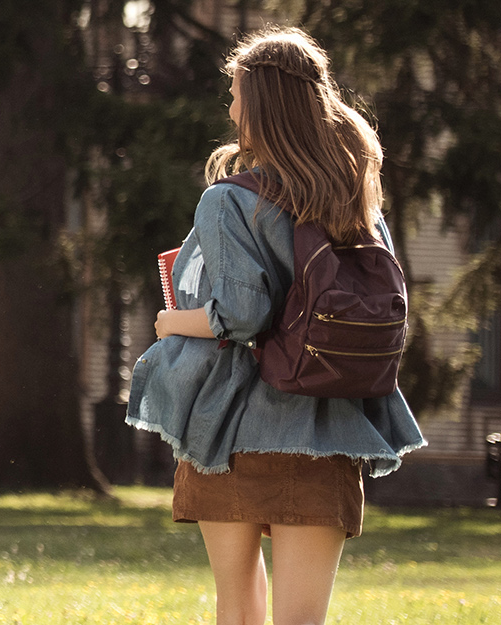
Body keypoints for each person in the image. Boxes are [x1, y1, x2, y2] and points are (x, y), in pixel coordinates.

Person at [128, 28, 424, 625]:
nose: (231, 109)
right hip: (332, 429)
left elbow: (240, 317)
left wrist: (171, 321)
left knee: (239, 609)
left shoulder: (229, 201)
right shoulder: (355, 202)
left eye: (235, 95)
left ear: (260, 106)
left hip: (231, 431)